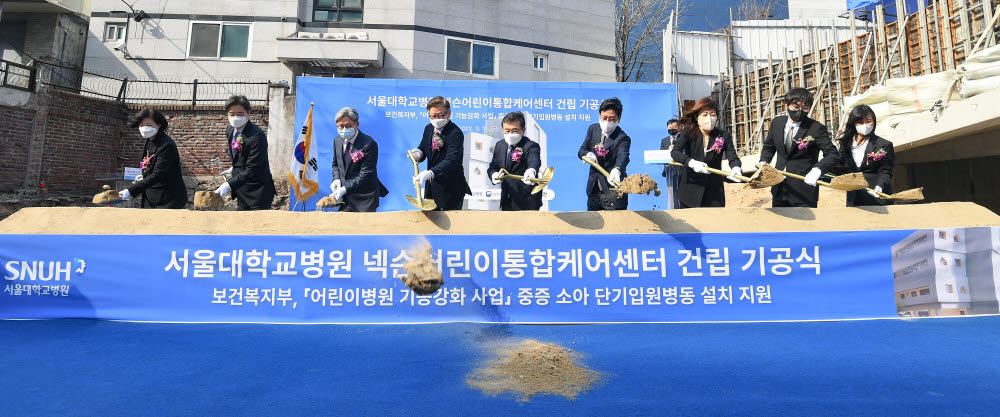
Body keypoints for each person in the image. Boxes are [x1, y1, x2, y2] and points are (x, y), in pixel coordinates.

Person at [759, 87, 840, 208]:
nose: (800, 111)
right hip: (779, 189)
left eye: (805, 108)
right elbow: (769, 147)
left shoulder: (816, 128)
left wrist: (818, 170)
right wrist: (763, 161)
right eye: (796, 107)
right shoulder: (777, 123)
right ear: (786, 106)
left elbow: (833, 154)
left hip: (804, 191)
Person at [670, 98, 742, 208]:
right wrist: (691, 162)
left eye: (713, 115)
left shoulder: (723, 136)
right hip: (690, 192)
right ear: (697, 117)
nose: (709, 118)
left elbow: (732, 156)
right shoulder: (688, 133)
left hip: (714, 194)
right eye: (705, 115)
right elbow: (675, 152)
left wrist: (736, 167)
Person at [408, 96, 472, 211]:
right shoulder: (428, 128)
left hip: (450, 188)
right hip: (432, 187)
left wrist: (431, 173)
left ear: (449, 114)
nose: (437, 119)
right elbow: (423, 148)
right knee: (430, 219)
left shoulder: (455, 133)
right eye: (433, 116)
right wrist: (418, 153)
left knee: (449, 221)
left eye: (441, 115)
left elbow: (451, 160)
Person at [214, 95, 276, 211]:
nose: (235, 117)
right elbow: (240, 155)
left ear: (248, 113)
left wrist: (229, 185)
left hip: (257, 192)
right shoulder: (230, 130)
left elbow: (253, 168)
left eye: (240, 114)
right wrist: (235, 167)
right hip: (241, 190)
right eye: (232, 114)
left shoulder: (257, 136)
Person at [118, 108, 187, 209]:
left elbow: (158, 174)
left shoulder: (167, 146)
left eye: (149, 125)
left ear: (158, 125)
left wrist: (130, 191)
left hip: (168, 198)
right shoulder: (149, 141)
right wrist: (144, 175)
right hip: (151, 195)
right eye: (141, 125)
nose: (144, 128)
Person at [329, 107, 389, 212]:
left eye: (348, 126)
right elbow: (336, 164)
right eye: (341, 126)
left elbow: (366, 174)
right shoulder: (337, 141)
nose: (344, 130)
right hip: (346, 197)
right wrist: (336, 179)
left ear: (357, 124)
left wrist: (345, 189)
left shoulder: (369, 144)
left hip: (365, 198)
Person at [836, 104, 894, 206]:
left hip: (875, 195)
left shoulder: (883, 145)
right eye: (860, 122)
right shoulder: (845, 143)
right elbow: (840, 165)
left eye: (868, 121)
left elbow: (885, 171)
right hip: (853, 197)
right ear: (853, 123)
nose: (865, 125)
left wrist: (880, 186)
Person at [578, 97, 630, 211]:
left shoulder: (623, 138)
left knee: (614, 222)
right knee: (593, 220)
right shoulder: (593, 129)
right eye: (604, 118)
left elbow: (623, 157)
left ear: (619, 118)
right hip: (594, 190)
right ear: (599, 115)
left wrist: (617, 169)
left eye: (612, 119)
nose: (607, 122)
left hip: (613, 191)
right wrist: (588, 154)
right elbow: (581, 150)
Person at [486, 111, 543, 211]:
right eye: (507, 130)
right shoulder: (500, 145)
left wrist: (531, 170)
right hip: (506, 199)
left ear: (523, 130)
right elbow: (493, 166)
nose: (510, 134)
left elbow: (534, 160)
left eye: (515, 130)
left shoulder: (530, 145)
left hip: (527, 201)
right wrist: (494, 174)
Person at [660, 118, 682, 209]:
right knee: (672, 193)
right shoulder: (664, 140)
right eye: (669, 127)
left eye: (674, 126)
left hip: (682, 171)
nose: (671, 128)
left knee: (681, 192)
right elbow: (661, 154)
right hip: (670, 171)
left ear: (679, 128)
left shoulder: (683, 138)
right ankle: (674, 209)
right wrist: (668, 151)